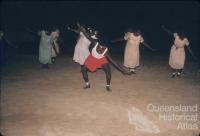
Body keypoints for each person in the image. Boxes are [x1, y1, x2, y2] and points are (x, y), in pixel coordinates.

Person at [78, 24, 130, 92]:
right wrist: (81, 28)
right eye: (100, 48)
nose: (101, 49)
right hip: (92, 58)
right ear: (99, 45)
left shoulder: (105, 53)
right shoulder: (95, 42)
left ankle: (107, 86)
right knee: (83, 69)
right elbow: (87, 35)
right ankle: (87, 84)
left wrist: (122, 70)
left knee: (108, 71)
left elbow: (114, 62)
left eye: (102, 49)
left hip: (101, 60)